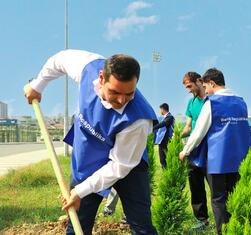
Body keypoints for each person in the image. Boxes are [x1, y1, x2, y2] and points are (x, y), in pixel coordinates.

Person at [24, 49, 158, 235]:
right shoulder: (88, 67)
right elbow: (59, 60)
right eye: (114, 92)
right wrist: (38, 86)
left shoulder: (139, 120)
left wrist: (81, 191)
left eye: (129, 94)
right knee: (78, 223)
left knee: (141, 225)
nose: (121, 100)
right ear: (102, 77)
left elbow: (120, 166)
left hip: (128, 168)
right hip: (88, 159)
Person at [179, 68, 251, 235]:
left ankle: (223, 231)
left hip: (218, 159)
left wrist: (186, 150)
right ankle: (236, 229)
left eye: (205, 86)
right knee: (234, 196)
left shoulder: (211, 103)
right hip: (240, 158)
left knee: (219, 199)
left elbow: (198, 132)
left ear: (211, 83)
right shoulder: (241, 102)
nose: (205, 90)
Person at [180, 71, 210, 230]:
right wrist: (179, 135)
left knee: (215, 185)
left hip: (209, 148)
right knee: (195, 186)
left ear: (199, 81)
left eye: (190, 86)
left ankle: (224, 218)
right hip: (193, 149)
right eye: (186, 87)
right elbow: (188, 126)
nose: (188, 89)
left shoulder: (211, 100)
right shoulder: (191, 104)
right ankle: (202, 220)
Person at [153, 103, 175, 169]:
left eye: (160, 110)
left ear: (163, 109)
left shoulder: (170, 117)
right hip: (161, 141)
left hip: (166, 141)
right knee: (162, 159)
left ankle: (168, 173)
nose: (160, 111)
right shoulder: (165, 118)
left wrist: (154, 127)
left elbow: (163, 124)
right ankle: (164, 174)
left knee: (167, 158)